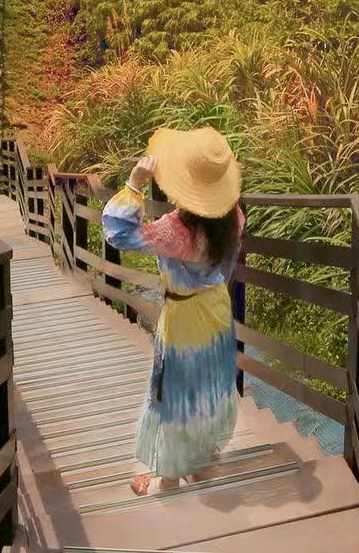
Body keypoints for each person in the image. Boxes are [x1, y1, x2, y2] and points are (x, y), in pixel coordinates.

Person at [102, 125, 245, 496]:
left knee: (174, 392)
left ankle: (167, 478)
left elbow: (117, 234)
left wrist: (134, 184)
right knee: (207, 386)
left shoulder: (177, 231)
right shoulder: (234, 218)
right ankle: (204, 461)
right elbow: (224, 267)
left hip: (184, 318)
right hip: (215, 310)